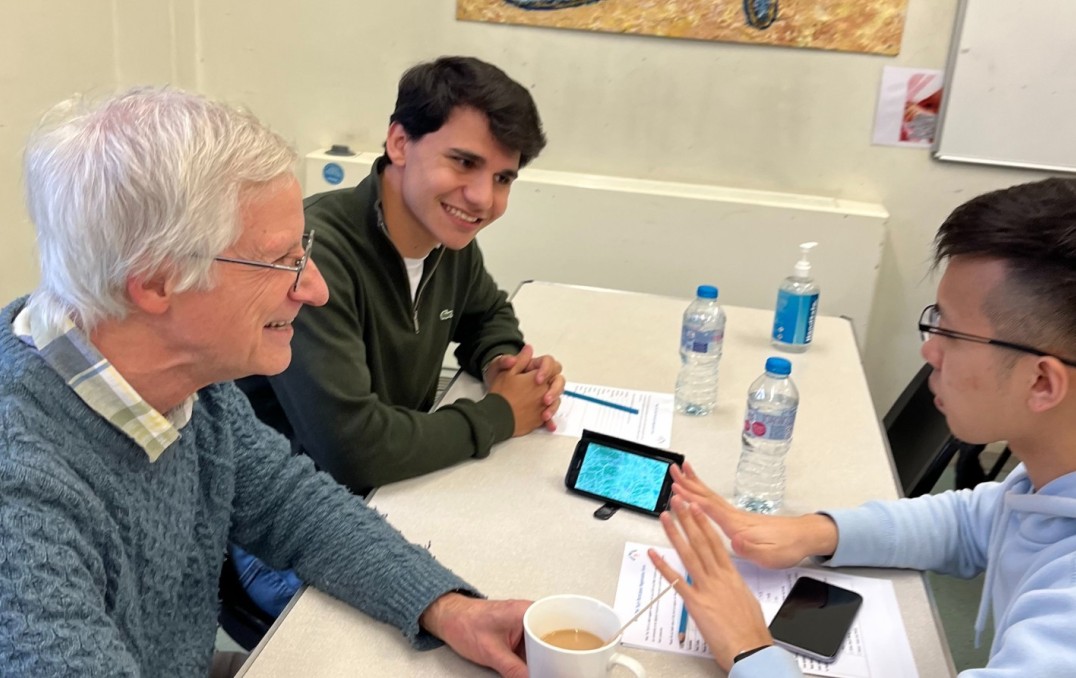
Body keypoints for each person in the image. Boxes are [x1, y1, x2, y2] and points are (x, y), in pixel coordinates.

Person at [0, 86, 529, 678]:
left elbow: (294, 507)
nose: (314, 289)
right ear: (153, 281)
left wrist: (446, 607)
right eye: (280, 261)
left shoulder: (190, 385)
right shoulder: (22, 499)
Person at [648, 178, 1076, 676]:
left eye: (952, 334)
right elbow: (971, 523)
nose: (928, 351)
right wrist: (813, 531)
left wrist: (748, 647)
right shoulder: (1046, 480)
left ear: (1042, 382)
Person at [239, 55, 565, 497]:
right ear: (399, 143)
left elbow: (488, 314)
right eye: (464, 162)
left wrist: (504, 365)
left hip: (393, 493)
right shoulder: (314, 255)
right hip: (291, 521)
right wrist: (501, 413)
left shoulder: (447, 239)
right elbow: (354, 448)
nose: (483, 198)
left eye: (503, 178)